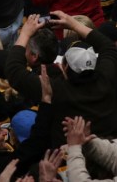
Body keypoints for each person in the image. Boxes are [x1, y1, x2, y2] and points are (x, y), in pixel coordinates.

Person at [6, 12, 117, 146]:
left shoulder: (54, 90)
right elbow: (108, 47)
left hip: (69, 159)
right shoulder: (107, 76)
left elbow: (14, 70)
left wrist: (25, 33)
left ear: (64, 67)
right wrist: (74, 24)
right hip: (110, 151)